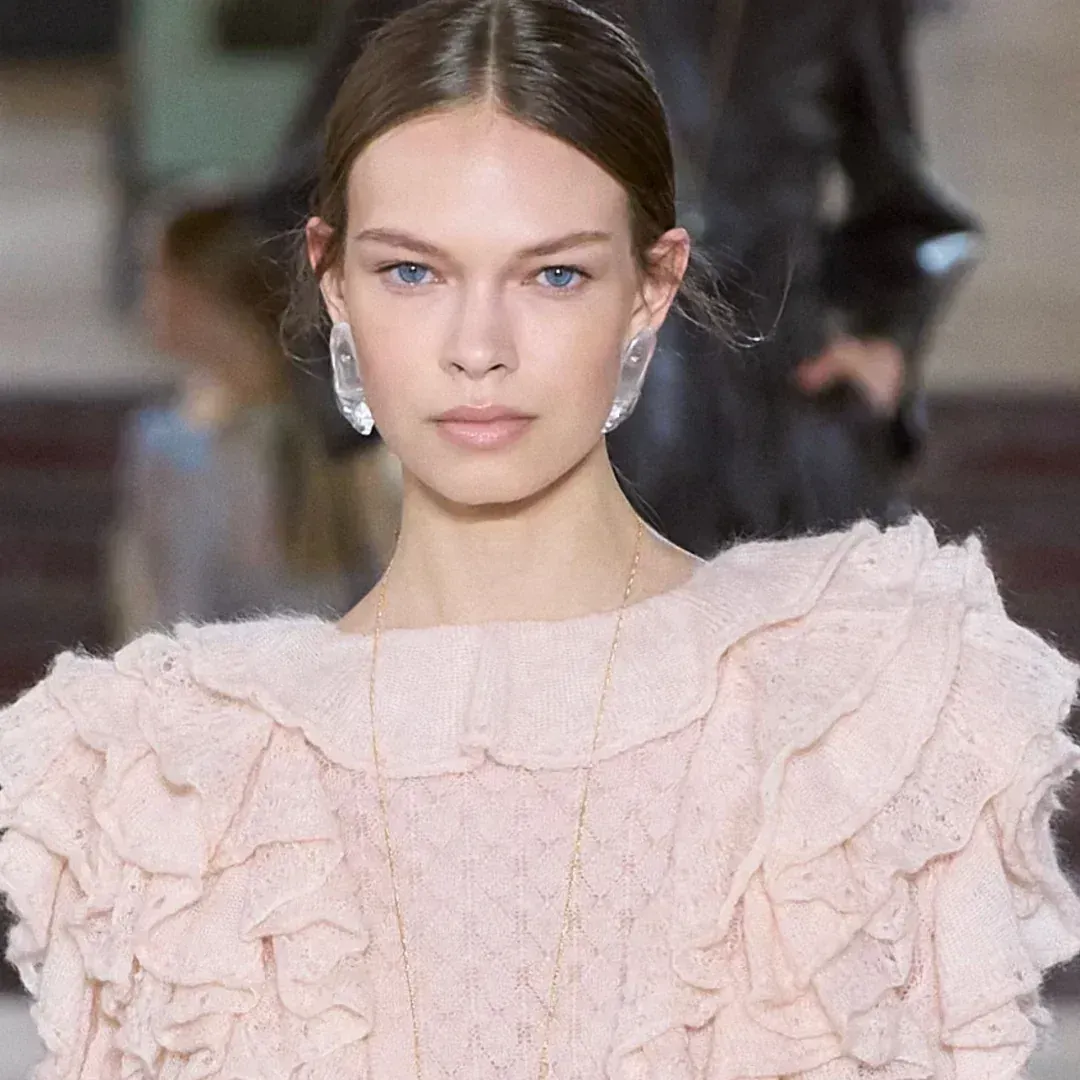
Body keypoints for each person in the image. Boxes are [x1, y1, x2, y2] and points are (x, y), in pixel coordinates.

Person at [0, 2, 1076, 1078]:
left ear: (651, 287)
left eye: (553, 273)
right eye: (413, 271)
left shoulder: (869, 739)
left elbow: (903, 202)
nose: (479, 348)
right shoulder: (171, 787)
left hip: (765, 441)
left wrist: (881, 345)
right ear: (333, 282)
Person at [251, 0, 980, 554]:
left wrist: (886, 344)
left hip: (781, 447)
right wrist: (374, 413)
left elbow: (910, 215)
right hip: (524, 458)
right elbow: (302, 203)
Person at [109, 198, 399, 636]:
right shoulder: (169, 438)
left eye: (156, 275)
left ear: (200, 293)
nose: (145, 297)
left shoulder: (343, 441)